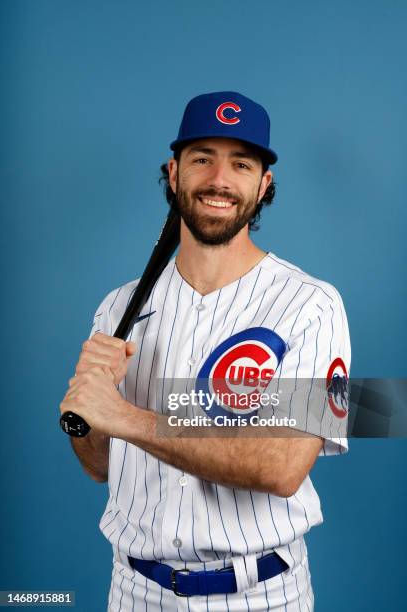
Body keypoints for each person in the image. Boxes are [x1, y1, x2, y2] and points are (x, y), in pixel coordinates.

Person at [60, 91, 351, 611]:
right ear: (173, 173)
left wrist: (126, 416)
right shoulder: (119, 307)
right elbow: (98, 466)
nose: (219, 179)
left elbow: (284, 465)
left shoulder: (311, 305)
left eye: (240, 163)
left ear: (264, 185)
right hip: (133, 591)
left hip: (261, 595)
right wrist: (85, 415)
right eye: (202, 159)